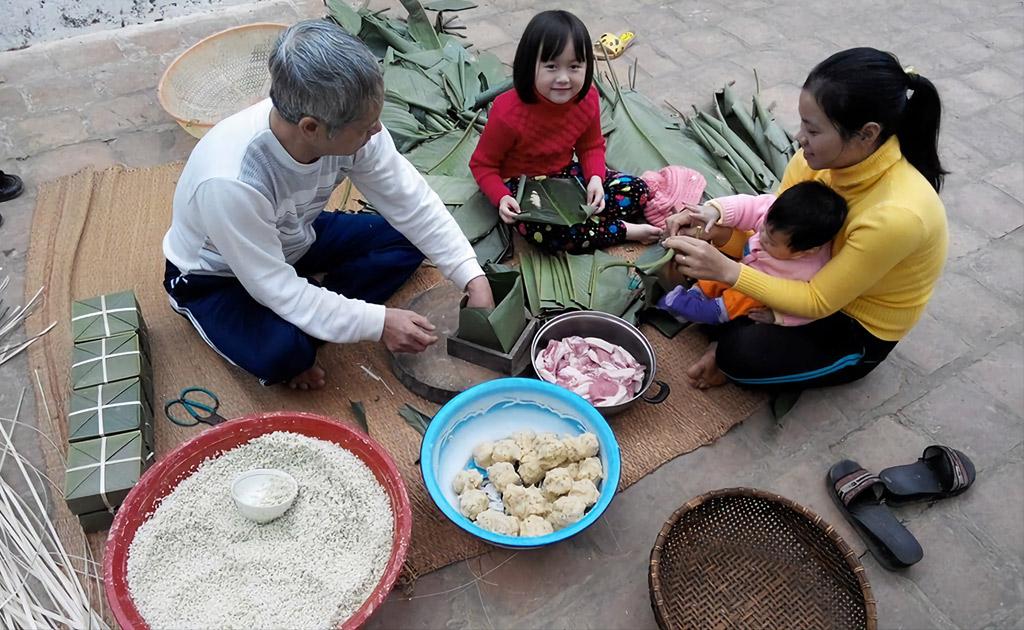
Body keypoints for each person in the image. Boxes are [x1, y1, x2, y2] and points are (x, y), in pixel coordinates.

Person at [162, 20, 494, 391]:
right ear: (310, 128)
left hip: (295, 233)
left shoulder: (352, 124)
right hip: (218, 275)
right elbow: (271, 285)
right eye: (366, 127)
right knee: (285, 356)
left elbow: (410, 201)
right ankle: (305, 318)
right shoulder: (232, 182)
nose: (378, 132)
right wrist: (378, 322)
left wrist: (471, 275)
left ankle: (317, 310)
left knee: (404, 239)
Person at [664, 47, 948, 390]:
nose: (799, 139)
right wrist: (717, 230)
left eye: (812, 131)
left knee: (738, 355)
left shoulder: (898, 215)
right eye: (802, 124)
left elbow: (817, 300)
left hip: (850, 319)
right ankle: (734, 323)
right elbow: (775, 239)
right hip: (797, 272)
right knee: (695, 254)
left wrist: (728, 271)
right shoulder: (813, 162)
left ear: (868, 134)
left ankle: (733, 343)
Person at [469, 10, 662, 255]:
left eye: (574, 66)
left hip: (566, 177)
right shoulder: (507, 111)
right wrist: (501, 197)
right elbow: (482, 166)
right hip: (523, 187)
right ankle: (622, 230)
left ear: (587, 65)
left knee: (638, 190)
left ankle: (591, 224)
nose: (563, 78)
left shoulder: (588, 98)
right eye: (551, 66)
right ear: (530, 66)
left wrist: (594, 179)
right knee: (546, 233)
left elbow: (590, 145)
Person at [658, 181, 848, 326]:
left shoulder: (809, 271)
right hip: (742, 263)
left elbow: (807, 309)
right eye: (764, 228)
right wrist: (715, 211)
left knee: (726, 308)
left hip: (755, 292)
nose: (762, 235)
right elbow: (747, 206)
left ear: (804, 252)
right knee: (711, 279)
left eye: (771, 242)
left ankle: (689, 308)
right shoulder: (775, 214)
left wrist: (778, 317)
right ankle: (698, 293)